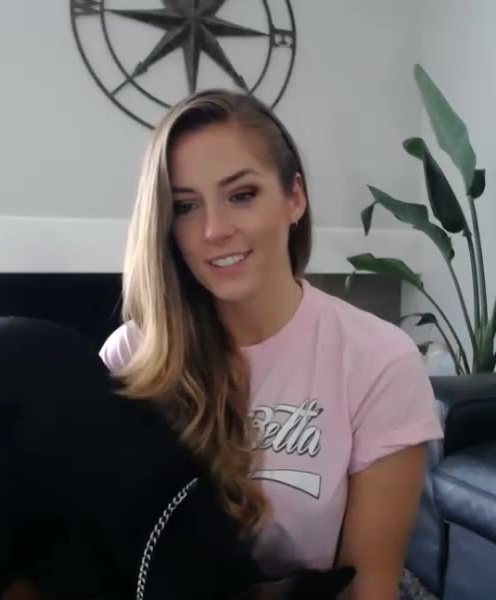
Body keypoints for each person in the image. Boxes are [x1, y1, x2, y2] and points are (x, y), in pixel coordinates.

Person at [98, 88, 444, 599]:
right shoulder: (132, 358)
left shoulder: (379, 361)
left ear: (294, 198)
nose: (214, 230)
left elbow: (367, 588)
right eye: (186, 206)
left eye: (242, 195)